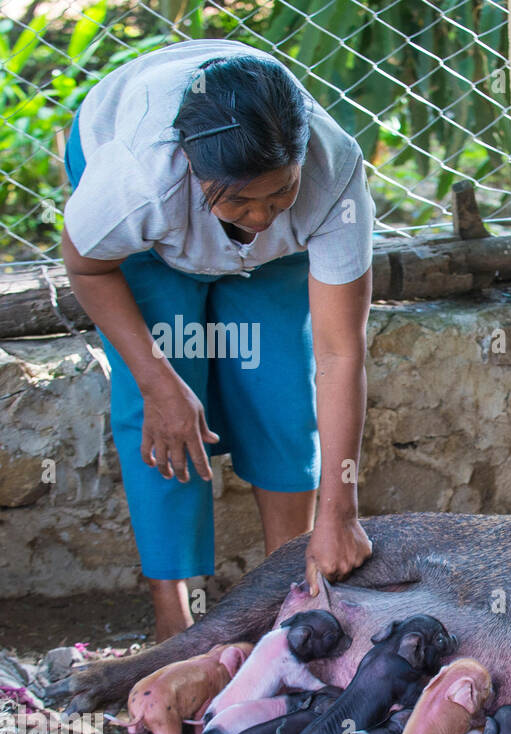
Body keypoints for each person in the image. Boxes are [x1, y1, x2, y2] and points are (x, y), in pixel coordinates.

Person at [61, 39, 375, 641]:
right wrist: (159, 383)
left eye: (278, 194)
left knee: (281, 394)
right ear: (191, 167)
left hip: (269, 255)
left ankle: (290, 592)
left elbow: (340, 353)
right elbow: (88, 267)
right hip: (149, 243)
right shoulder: (137, 183)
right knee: (167, 407)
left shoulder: (331, 176)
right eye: (239, 200)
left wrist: (341, 513)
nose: (260, 217)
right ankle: (173, 619)